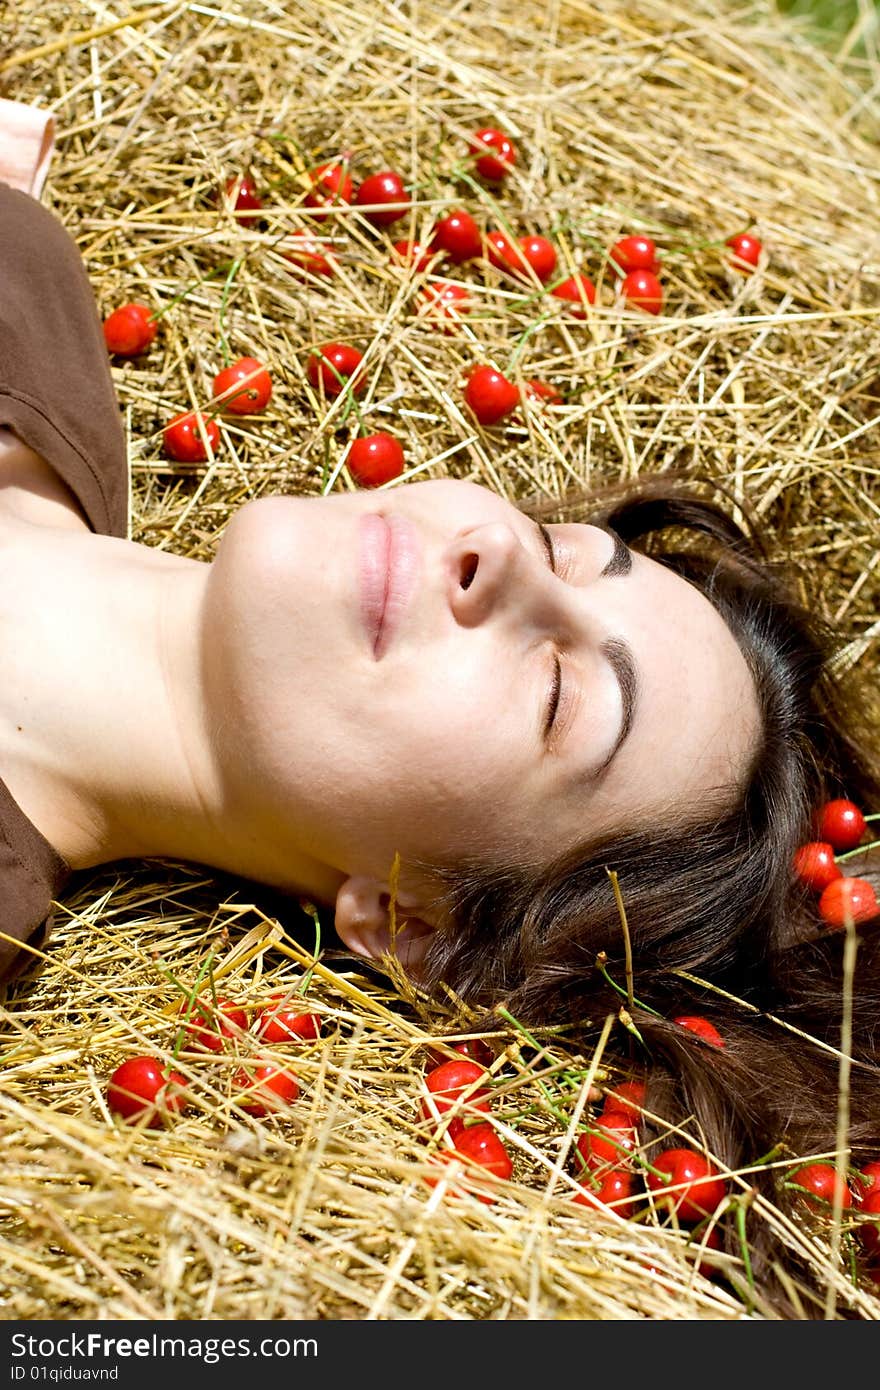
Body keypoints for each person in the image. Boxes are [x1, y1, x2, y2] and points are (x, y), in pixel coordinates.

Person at [2, 109, 879, 1315]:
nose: (498, 561)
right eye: (564, 551)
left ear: (412, 924)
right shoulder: (26, 287)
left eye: (557, 692)